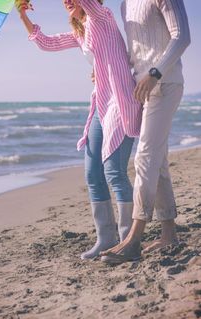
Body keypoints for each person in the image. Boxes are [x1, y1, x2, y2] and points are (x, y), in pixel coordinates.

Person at [16, 0, 142, 260]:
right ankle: (105, 239)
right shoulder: (80, 30)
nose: (67, 2)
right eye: (64, 1)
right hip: (101, 104)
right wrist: (21, 14)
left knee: (114, 172)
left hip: (121, 102)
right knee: (92, 173)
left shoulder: (102, 17)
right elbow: (46, 43)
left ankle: (129, 240)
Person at [101, 0, 191, 264]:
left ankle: (134, 238)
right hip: (142, 89)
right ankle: (168, 234)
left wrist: (155, 73)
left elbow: (182, 36)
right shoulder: (125, 5)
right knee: (158, 161)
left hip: (166, 83)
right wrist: (103, 72)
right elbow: (133, 51)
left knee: (145, 157)